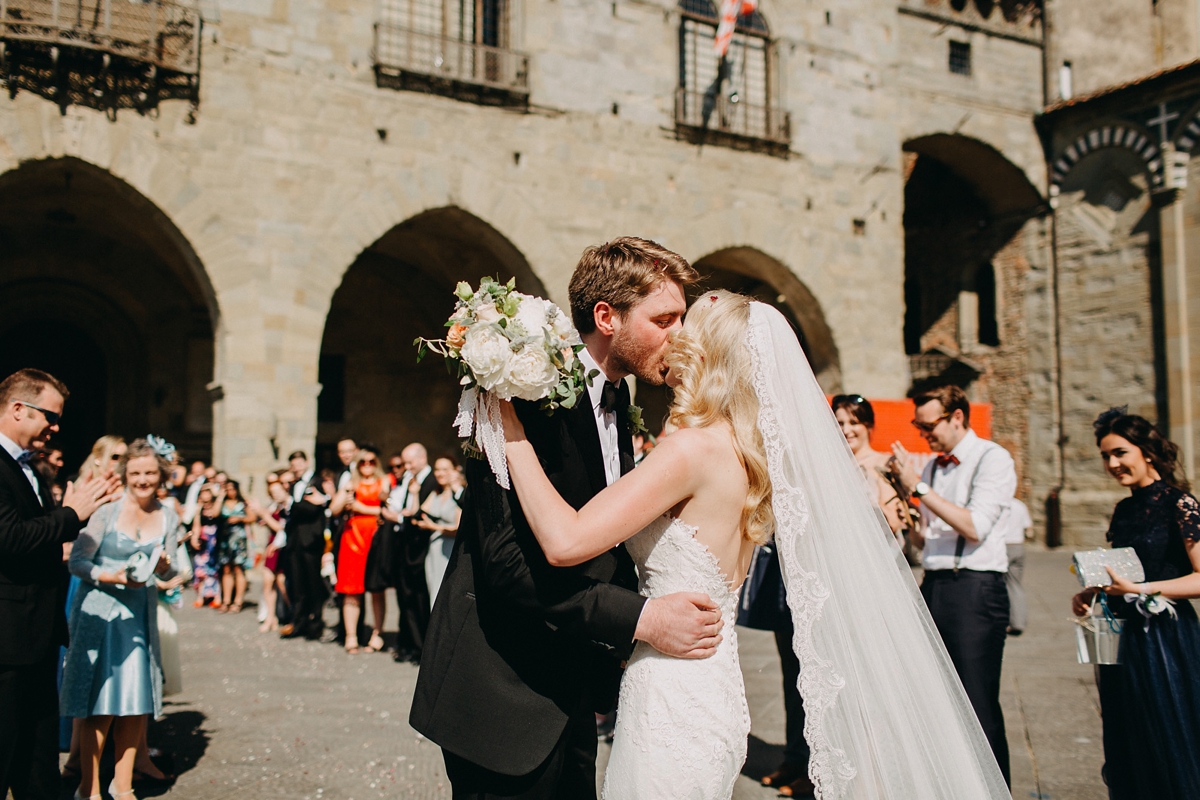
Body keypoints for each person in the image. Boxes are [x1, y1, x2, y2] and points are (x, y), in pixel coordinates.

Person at [494, 290, 1011, 799]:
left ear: (706, 354)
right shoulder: (749, 455)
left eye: (684, 327)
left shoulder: (691, 451)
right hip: (714, 684)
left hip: (674, 693)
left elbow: (564, 542)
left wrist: (508, 427)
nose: (672, 338)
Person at [411, 238, 728, 799]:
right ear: (607, 317)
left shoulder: (618, 399)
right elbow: (509, 565)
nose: (681, 333)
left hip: (573, 686)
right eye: (664, 318)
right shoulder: (516, 396)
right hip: (503, 693)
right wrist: (643, 619)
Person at [0, 369, 120, 800]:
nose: (55, 428)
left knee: (37, 759)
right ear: (18, 408)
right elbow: (9, 538)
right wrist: (71, 515)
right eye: (49, 417)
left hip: (34, 632)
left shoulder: (27, 466)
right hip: (8, 638)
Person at [1070, 408, 1200, 799]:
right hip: (1124, 634)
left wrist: (1143, 590)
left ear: (1146, 451)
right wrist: (1090, 592)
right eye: (1105, 456)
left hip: (1165, 638)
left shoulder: (1180, 503)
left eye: (1120, 453)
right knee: (1129, 731)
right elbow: (1127, 569)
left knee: (1168, 728)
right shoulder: (1124, 509)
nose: (1112, 464)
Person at [891, 384, 1016, 786]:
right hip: (935, 584)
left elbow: (975, 526)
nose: (923, 433)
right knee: (936, 701)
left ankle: (993, 790)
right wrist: (905, 515)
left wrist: (919, 489)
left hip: (976, 590)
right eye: (917, 425)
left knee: (977, 702)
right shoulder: (931, 467)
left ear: (958, 417)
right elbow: (929, 542)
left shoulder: (993, 459)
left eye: (928, 425)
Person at [61, 438, 180, 800]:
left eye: (149, 473)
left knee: (134, 703)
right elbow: (77, 561)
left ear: (160, 474)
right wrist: (113, 576)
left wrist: (163, 567)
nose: (143, 480)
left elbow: (173, 568)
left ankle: (123, 785)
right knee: (98, 705)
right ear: (125, 474)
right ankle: (89, 787)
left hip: (137, 617)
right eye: (135, 473)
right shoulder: (108, 510)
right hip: (100, 614)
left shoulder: (169, 514)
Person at [330, 445, 389, 654]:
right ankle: (351, 636)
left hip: (374, 539)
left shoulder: (384, 482)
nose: (367, 466)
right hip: (352, 538)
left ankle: (377, 633)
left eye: (371, 461)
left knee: (376, 590)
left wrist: (360, 507)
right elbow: (333, 510)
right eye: (363, 462)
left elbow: (388, 510)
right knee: (350, 591)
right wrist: (345, 498)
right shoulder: (350, 482)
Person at [388, 443, 438, 663]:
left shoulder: (433, 482)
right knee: (405, 597)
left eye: (409, 462)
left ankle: (421, 648)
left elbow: (424, 514)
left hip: (422, 548)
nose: (406, 466)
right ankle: (408, 643)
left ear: (421, 458)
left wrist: (402, 517)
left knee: (420, 598)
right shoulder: (411, 480)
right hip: (405, 547)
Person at [831, 394, 905, 536]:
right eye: (839, 423)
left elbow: (892, 521)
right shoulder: (832, 467)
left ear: (868, 425)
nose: (845, 430)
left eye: (853, 423)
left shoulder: (883, 463)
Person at [280, 451, 331, 640]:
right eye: (294, 464)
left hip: (311, 541)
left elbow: (312, 509)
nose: (297, 467)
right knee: (297, 585)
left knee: (313, 584)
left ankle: (315, 624)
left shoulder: (317, 482)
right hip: (294, 542)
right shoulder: (293, 486)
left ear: (307, 462)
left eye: (300, 463)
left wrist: (292, 504)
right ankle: (299, 622)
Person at [415, 456, 463, 607]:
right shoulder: (436, 493)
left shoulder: (459, 495)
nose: (440, 473)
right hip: (434, 551)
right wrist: (414, 493)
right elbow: (418, 514)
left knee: (448, 596)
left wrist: (434, 527)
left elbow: (458, 528)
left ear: (455, 470)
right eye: (437, 469)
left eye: (445, 469)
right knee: (434, 594)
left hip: (450, 550)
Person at [249, 473, 291, 633]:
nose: (276, 495)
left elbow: (281, 527)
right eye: (273, 493)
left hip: (282, 546)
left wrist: (264, 514)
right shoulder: (272, 505)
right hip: (271, 545)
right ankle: (270, 617)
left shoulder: (287, 505)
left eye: (278, 491)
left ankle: (292, 615)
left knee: (282, 582)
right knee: (267, 582)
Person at [217, 480, 255, 613]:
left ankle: (238, 601)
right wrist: (220, 496)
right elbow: (215, 514)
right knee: (226, 569)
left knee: (239, 569)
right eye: (227, 489)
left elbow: (252, 517)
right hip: (225, 539)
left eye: (232, 489)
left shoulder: (243, 503)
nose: (230, 492)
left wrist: (240, 519)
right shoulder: (221, 502)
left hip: (239, 539)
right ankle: (226, 600)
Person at [188, 486, 223, 608]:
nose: (206, 503)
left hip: (214, 542)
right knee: (201, 570)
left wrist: (216, 494)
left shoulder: (216, 508)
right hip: (203, 542)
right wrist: (194, 537)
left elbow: (215, 514)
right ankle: (201, 596)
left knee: (214, 571)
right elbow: (196, 526)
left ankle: (217, 596)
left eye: (208, 500)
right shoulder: (199, 511)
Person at [1003, 498, 1032, 636]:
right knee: (1015, 584)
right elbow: (1029, 530)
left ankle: (1005, 620)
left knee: (1000, 584)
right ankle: (1018, 621)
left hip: (1004, 546)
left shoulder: (999, 504)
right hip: (1018, 546)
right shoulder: (1020, 505)